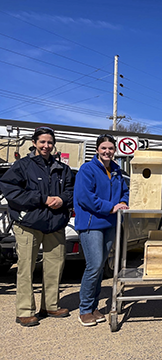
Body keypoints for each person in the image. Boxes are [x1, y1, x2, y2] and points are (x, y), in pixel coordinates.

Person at [0, 126, 74, 327]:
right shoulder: (22, 166)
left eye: (49, 142)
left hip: (55, 224)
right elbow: (10, 189)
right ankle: (25, 311)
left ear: (53, 144)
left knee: (55, 267)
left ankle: (50, 305)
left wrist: (61, 199)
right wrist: (43, 198)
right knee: (26, 267)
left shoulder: (62, 168)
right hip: (28, 224)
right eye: (42, 142)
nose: (46, 146)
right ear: (34, 143)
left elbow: (71, 191)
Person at [74, 134, 129, 327]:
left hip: (109, 224)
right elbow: (84, 197)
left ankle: (94, 306)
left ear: (115, 151)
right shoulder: (87, 170)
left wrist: (123, 202)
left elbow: (125, 191)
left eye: (111, 148)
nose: (107, 152)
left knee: (100, 266)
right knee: (94, 265)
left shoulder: (116, 171)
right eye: (104, 148)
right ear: (97, 149)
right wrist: (110, 207)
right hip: (91, 224)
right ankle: (85, 309)